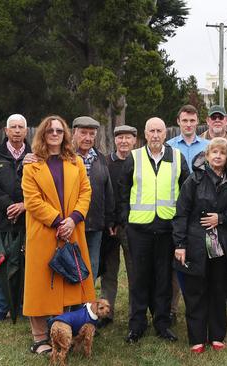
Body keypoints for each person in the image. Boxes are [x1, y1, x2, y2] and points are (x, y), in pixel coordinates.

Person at [22, 115, 94, 355]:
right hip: (44, 232)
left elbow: (86, 192)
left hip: (72, 230)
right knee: (41, 284)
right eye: (50, 130)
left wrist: (73, 219)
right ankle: (39, 337)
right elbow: (32, 200)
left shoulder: (76, 162)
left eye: (59, 130)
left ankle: (63, 332)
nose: (54, 134)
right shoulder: (32, 165)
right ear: (43, 134)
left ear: (65, 135)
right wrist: (57, 221)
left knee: (69, 283)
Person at [119, 117, 190, 344]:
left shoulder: (177, 157)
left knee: (163, 279)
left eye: (160, 131)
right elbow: (123, 190)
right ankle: (137, 324)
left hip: (167, 229)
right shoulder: (134, 157)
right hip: (139, 229)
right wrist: (125, 221)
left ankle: (162, 323)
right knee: (140, 278)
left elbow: (186, 192)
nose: (156, 135)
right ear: (145, 134)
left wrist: (181, 224)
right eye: (152, 131)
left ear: (165, 134)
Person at [172, 138, 227, 354]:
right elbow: (181, 213)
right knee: (196, 291)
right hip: (195, 243)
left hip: (220, 246)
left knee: (218, 290)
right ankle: (197, 338)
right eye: (214, 152)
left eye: (222, 153)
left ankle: (217, 336)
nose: (218, 156)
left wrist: (221, 218)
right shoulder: (194, 180)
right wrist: (180, 244)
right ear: (207, 156)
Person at [0, 113, 31, 321]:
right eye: (13, 127)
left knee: (24, 264)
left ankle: (21, 305)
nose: (17, 131)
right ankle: (0, 307)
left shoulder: (35, 155)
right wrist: (10, 205)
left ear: (26, 131)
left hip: (27, 219)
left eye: (21, 127)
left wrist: (24, 206)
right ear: (6, 131)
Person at [166, 104, 209, 322]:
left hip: (203, 212)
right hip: (179, 209)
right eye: (185, 121)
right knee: (178, 259)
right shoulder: (169, 147)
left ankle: (202, 303)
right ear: (179, 121)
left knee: (202, 258)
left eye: (193, 121)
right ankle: (172, 308)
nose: (189, 125)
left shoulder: (209, 146)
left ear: (197, 122)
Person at [97, 125, 138, 328]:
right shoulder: (105, 163)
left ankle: (135, 313)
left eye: (128, 138)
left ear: (134, 141)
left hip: (132, 225)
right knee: (109, 272)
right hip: (110, 226)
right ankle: (106, 312)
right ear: (115, 141)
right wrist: (109, 221)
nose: (124, 141)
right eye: (120, 138)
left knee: (134, 272)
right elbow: (104, 194)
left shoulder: (139, 162)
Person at [200, 104, 227, 307]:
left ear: (226, 121)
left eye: (220, 117)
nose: (217, 120)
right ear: (208, 121)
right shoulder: (200, 142)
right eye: (213, 117)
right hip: (205, 199)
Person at [71, 116, 114, 280]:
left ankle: (86, 302)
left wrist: (109, 220)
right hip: (71, 223)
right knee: (71, 263)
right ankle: (71, 304)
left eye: (91, 134)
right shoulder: (64, 157)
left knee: (92, 265)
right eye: (83, 133)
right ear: (74, 133)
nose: (88, 138)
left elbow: (107, 191)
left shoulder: (100, 158)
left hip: (95, 223)